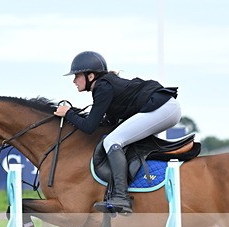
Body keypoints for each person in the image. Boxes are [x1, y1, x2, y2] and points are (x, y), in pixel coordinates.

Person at [54, 51, 181, 215]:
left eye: (77, 76)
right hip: (164, 107)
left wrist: (69, 113)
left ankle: (121, 197)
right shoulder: (106, 85)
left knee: (111, 141)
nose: (74, 81)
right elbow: (109, 122)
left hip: (162, 108)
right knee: (117, 138)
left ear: (91, 76)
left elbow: (89, 126)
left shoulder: (102, 87)